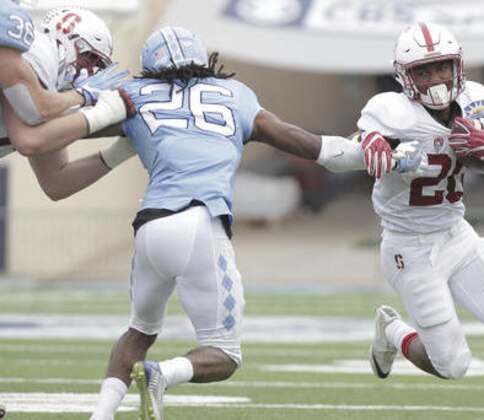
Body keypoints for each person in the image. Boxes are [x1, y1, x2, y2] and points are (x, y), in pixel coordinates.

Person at [87, 26, 388, 420]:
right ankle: (164, 373)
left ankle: (101, 415)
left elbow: (67, 127)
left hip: (149, 227)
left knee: (139, 331)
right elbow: (311, 146)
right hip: (199, 221)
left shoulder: (135, 95)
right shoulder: (236, 95)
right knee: (224, 353)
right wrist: (381, 156)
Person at [359, 22, 484, 419]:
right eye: (424, 71)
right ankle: (393, 332)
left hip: (456, 234)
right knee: (452, 364)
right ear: (405, 77)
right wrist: (368, 142)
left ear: (458, 66)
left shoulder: (478, 101)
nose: (436, 79)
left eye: (443, 67)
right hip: (408, 248)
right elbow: (353, 144)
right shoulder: (391, 111)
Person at [0, 6, 136, 198]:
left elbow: (56, 182)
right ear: (72, 41)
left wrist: (122, 150)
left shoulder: (51, 93)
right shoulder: (41, 51)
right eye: (91, 60)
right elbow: (29, 135)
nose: (90, 73)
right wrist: (85, 99)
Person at [0, 0, 126, 127]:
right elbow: (38, 111)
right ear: (74, 42)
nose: (87, 72)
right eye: (89, 59)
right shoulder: (44, 54)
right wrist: (83, 95)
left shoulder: (44, 52)